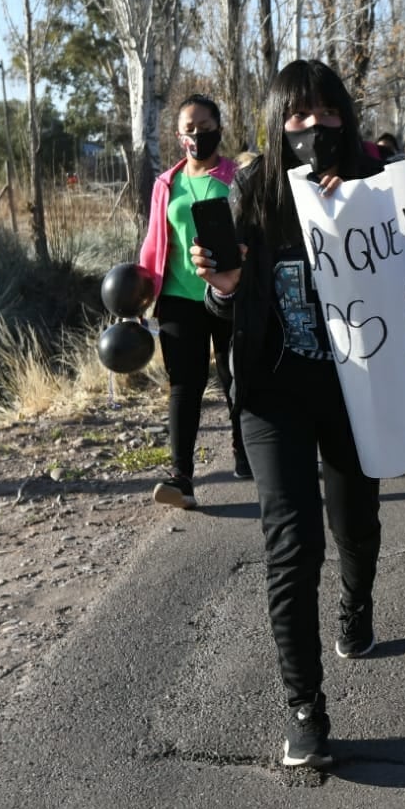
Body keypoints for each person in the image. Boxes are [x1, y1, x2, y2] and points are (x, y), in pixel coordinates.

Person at [191, 59, 383, 769]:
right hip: (273, 391)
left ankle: (356, 605)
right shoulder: (251, 189)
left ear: (346, 118)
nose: (313, 127)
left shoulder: (378, 181)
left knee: (355, 520)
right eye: (297, 116)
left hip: (358, 389)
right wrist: (223, 286)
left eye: (326, 113)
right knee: (293, 544)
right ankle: (305, 706)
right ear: (276, 123)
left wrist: (363, 203)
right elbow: (224, 303)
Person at [137, 94, 246, 509]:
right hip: (179, 298)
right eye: (190, 128)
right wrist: (141, 293)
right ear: (179, 136)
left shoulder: (237, 178)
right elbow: (153, 243)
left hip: (228, 291)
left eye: (205, 126)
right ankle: (181, 476)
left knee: (235, 376)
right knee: (185, 384)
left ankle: (243, 449)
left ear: (219, 127)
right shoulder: (167, 184)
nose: (198, 135)